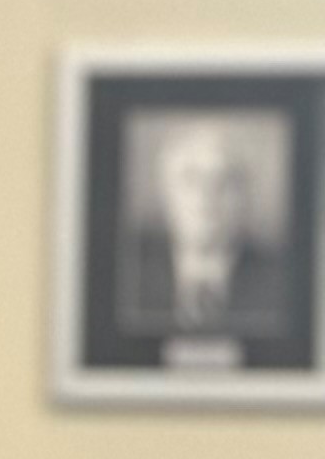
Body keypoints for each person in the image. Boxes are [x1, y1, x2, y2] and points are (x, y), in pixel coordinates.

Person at [123, 115, 293, 338]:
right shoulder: (129, 271)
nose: (207, 196)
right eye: (191, 178)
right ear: (165, 192)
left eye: (226, 180)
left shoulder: (283, 282)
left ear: (248, 196)